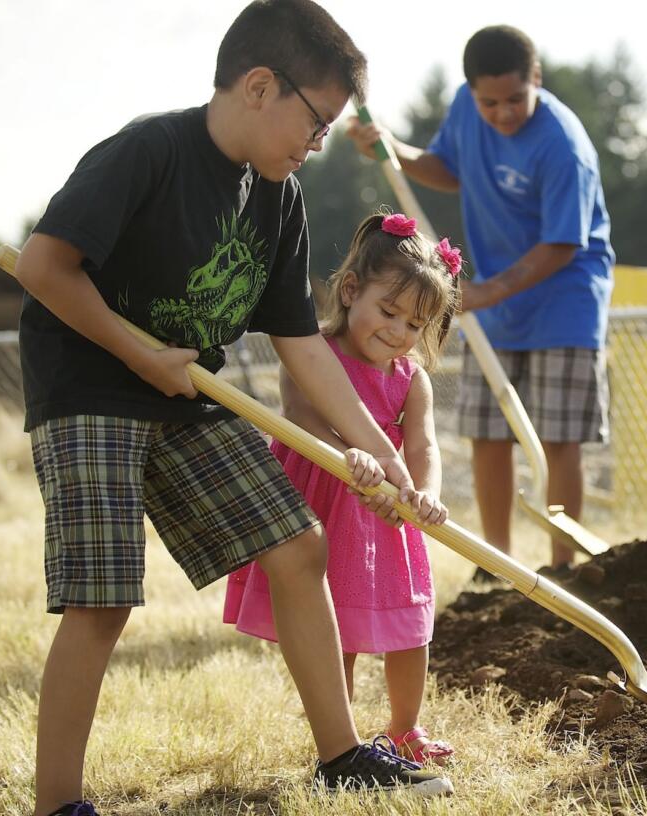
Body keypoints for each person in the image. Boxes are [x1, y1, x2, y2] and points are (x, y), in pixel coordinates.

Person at [14, 3, 453, 812]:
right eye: (316, 123)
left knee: (298, 546)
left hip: (186, 393)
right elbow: (44, 266)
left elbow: (304, 345)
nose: (317, 145)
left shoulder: (276, 199)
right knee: (102, 598)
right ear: (261, 86)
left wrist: (386, 459)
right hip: (89, 386)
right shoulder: (149, 151)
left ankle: (341, 755)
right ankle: (58, 802)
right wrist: (138, 351)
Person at [346, 25, 614, 572]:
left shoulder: (564, 146)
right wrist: (393, 149)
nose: (502, 113)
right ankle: (497, 565)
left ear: (535, 79)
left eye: (515, 99)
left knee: (559, 437)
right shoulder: (468, 111)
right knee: (490, 432)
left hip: (562, 298)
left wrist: (484, 293)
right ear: (471, 92)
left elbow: (564, 243)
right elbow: (446, 169)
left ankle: (564, 569)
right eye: (489, 102)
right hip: (492, 297)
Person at [224, 212, 460, 766]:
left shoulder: (411, 378)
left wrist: (425, 493)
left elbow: (424, 447)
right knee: (341, 627)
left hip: (384, 509)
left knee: (410, 625)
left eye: (415, 324)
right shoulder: (313, 351)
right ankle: (346, 742)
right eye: (389, 311)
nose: (400, 332)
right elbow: (299, 413)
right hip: (323, 502)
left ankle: (406, 729)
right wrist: (342, 447)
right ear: (350, 290)